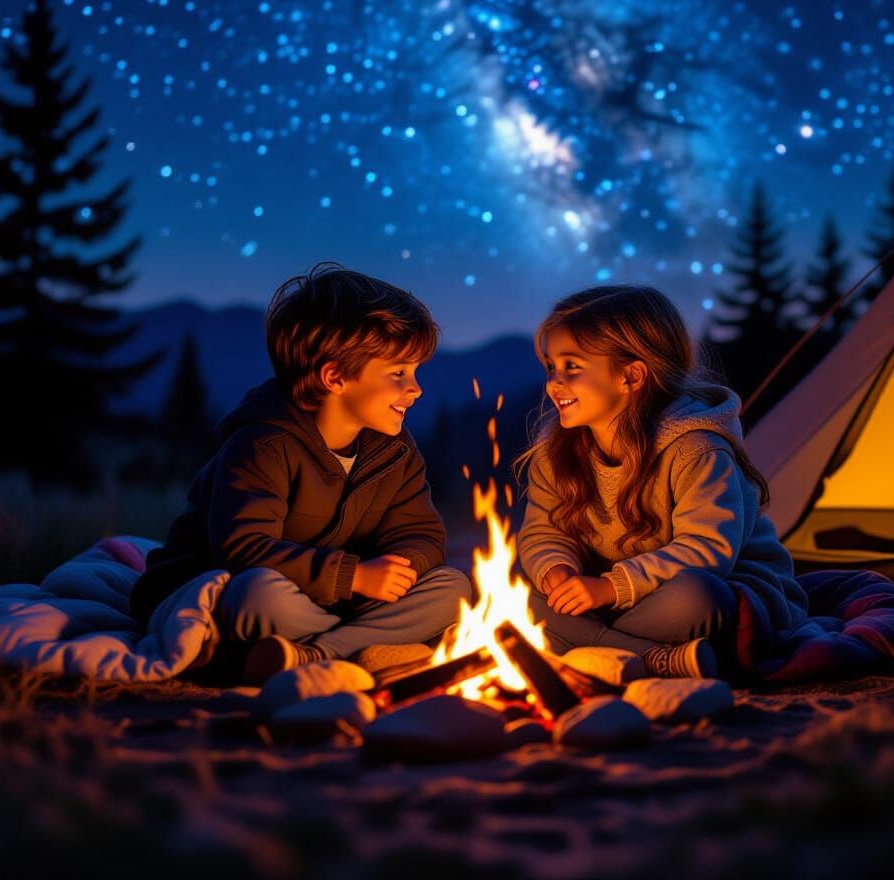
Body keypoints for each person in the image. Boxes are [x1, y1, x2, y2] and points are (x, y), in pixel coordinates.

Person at [130, 264, 470, 683]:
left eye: (415, 373)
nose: (415, 388)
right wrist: (355, 576)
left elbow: (423, 533)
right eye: (398, 373)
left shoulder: (395, 452)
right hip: (236, 588)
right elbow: (244, 548)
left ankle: (312, 656)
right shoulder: (263, 444)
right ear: (335, 377)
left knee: (452, 588)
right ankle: (361, 649)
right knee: (259, 595)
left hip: (335, 602)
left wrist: (402, 567)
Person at [515, 285, 807, 679]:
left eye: (572, 367)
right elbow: (544, 530)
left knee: (696, 598)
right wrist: (557, 569)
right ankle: (655, 659)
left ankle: (595, 651)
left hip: (721, 594)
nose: (554, 382)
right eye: (551, 366)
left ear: (631, 376)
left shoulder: (696, 449)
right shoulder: (557, 453)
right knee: (521, 596)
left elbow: (706, 550)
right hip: (615, 600)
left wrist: (610, 588)